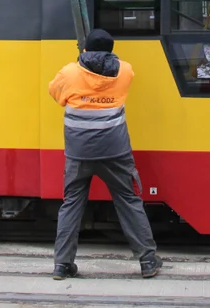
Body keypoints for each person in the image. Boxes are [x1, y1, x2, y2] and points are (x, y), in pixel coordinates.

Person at [47, 28, 163, 280]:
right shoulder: (125, 70)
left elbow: (56, 94)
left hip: (79, 153)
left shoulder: (69, 72)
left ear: (85, 49)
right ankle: (147, 260)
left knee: (72, 205)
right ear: (111, 50)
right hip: (115, 151)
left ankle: (62, 265)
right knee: (129, 201)